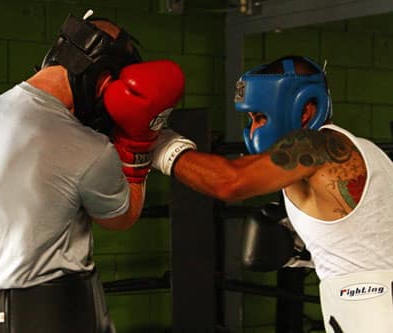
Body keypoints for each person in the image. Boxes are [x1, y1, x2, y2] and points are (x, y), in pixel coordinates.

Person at [0, 11, 185, 333]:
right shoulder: (82, 145)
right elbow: (121, 217)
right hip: (60, 313)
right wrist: (138, 142)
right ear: (104, 80)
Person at [151, 55, 393, 333]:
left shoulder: (315, 146)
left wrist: (161, 147)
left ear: (304, 110)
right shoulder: (367, 152)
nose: (253, 129)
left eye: (260, 117)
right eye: (251, 119)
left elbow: (231, 181)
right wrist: (311, 252)